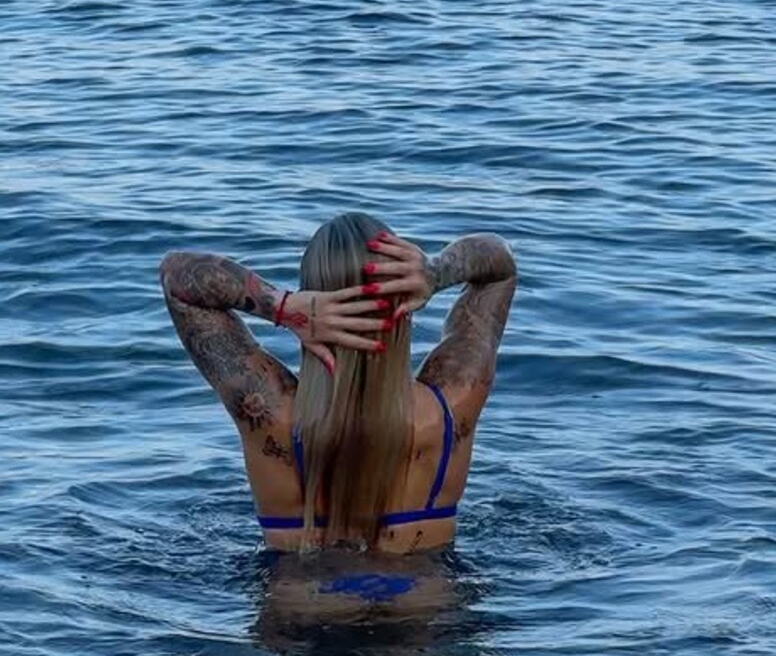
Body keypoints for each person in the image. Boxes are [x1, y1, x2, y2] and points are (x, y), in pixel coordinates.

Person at [159, 212, 517, 564]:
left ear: (311, 301)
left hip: (299, 597)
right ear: (405, 303)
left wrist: (281, 306)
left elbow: (177, 276)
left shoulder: (273, 416)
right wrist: (437, 271)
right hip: (428, 596)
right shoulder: (452, 404)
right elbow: (499, 266)